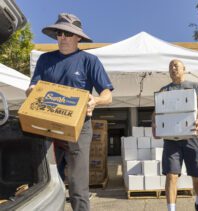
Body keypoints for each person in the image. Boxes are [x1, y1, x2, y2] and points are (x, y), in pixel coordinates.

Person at [26, 13, 113, 211]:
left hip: (79, 129)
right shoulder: (44, 59)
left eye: (67, 33)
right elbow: (31, 89)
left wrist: (96, 100)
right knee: (43, 181)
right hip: (45, 128)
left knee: (77, 186)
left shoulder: (89, 61)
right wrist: (32, 91)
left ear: (78, 37)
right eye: (59, 33)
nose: (62, 37)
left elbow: (108, 95)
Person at [152, 59, 198, 211]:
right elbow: (156, 112)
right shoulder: (164, 90)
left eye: (176, 65)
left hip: (192, 138)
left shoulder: (194, 86)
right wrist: (154, 125)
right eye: (170, 66)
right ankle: (171, 209)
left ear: (184, 69)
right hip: (171, 140)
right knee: (171, 175)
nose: (173, 68)